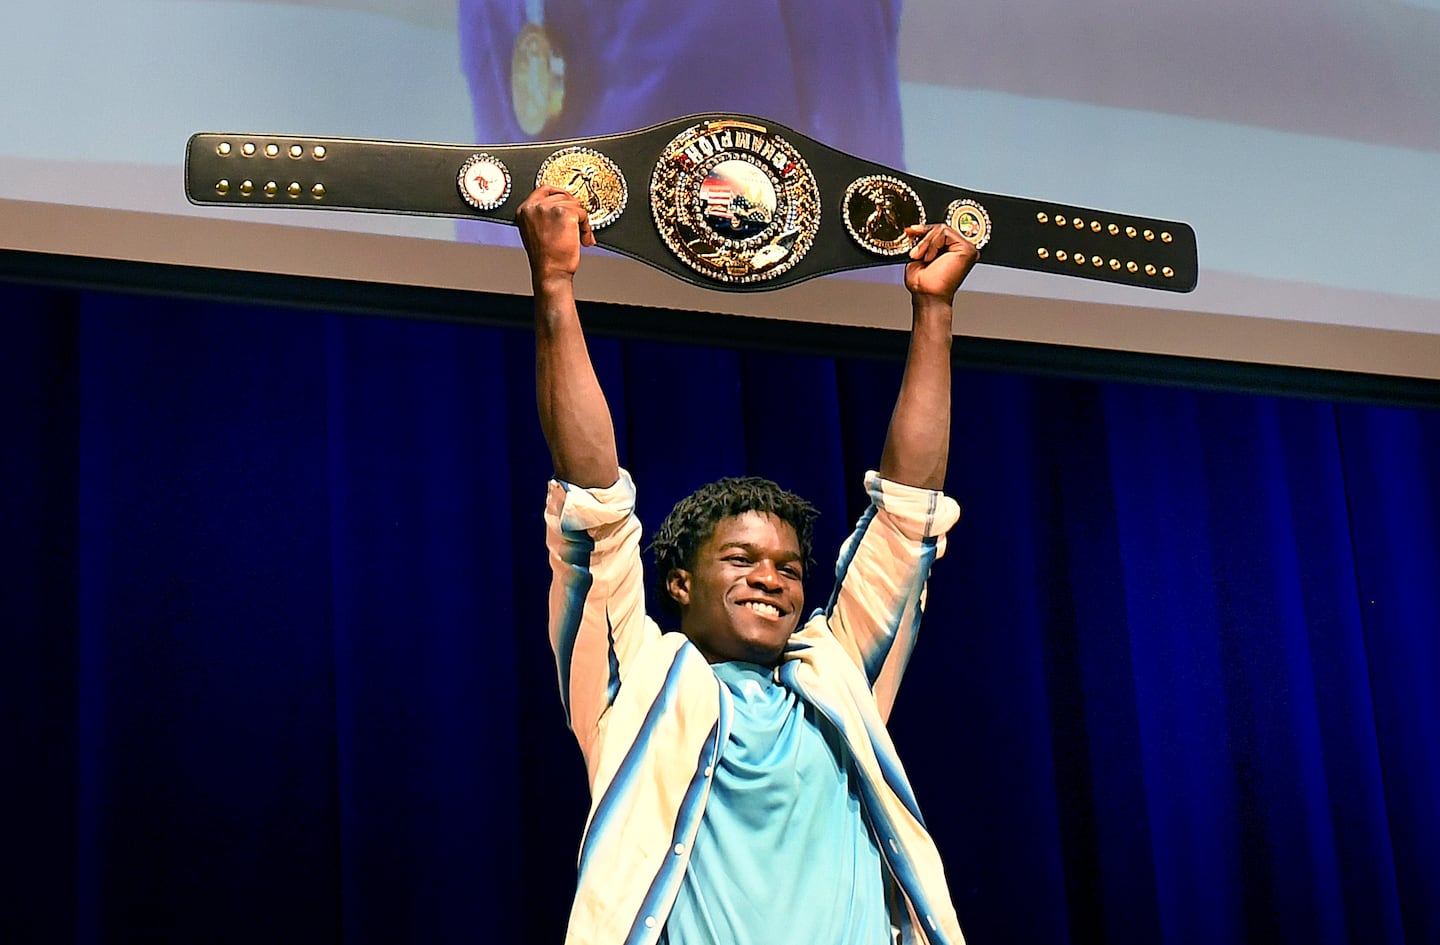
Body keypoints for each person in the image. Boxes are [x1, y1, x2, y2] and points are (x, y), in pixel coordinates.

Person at [519, 183, 978, 945]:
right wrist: (556, 289)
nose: (772, 577)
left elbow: (906, 517)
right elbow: (594, 500)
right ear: (679, 583)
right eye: (741, 559)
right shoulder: (633, 682)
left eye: (790, 568)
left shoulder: (836, 675)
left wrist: (934, 313)